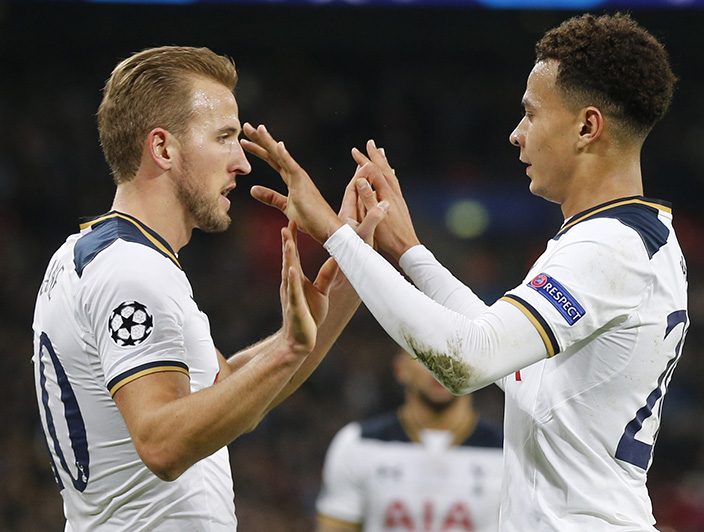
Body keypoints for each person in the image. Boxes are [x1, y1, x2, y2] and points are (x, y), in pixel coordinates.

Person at [241, 12, 688, 531]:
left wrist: (333, 233)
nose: (517, 135)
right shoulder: (634, 237)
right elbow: (517, 369)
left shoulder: (606, 247)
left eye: (531, 114)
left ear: (588, 126)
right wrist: (410, 253)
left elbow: (469, 361)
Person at [31, 46, 385, 531]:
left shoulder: (99, 256)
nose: (242, 162)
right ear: (163, 149)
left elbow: (232, 397)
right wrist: (286, 348)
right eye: (224, 138)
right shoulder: (131, 272)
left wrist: (353, 273)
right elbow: (162, 444)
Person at [316, 349, 503, 532]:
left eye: (455, 355)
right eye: (425, 353)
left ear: (478, 370)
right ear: (400, 369)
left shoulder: (508, 454)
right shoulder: (358, 443)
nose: (442, 367)